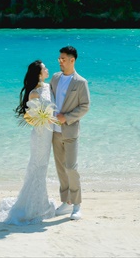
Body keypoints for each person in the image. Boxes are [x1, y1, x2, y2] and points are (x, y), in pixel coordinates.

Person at [0, 60, 57, 225]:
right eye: (44, 68)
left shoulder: (48, 86)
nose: (47, 69)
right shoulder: (33, 93)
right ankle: (33, 207)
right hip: (40, 134)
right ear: (38, 73)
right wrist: (44, 118)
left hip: (48, 134)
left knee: (43, 167)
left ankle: (40, 203)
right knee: (37, 167)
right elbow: (31, 118)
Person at [50, 45, 91, 220]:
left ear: (72, 60)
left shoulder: (81, 82)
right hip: (54, 131)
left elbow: (85, 106)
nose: (60, 61)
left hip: (70, 130)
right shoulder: (55, 78)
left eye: (63, 59)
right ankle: (65, 202)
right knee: (60, 168)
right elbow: (49, 98)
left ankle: (76, 205)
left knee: (71, 168)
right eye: (59, 58)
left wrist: (67, 117)